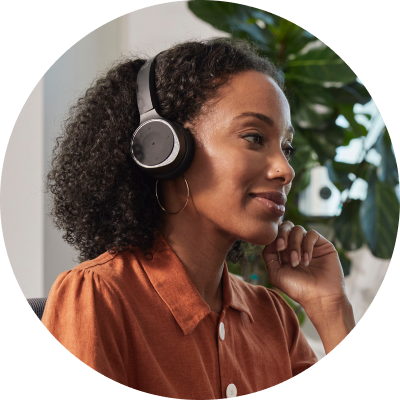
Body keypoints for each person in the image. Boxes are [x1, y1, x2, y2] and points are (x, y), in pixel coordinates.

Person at [42, 37, 355, 398]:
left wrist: (331, 310)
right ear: (165, 148)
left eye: (287, 149)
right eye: (254, 137)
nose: (286, 170)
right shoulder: (99, 297)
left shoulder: (274, 317)